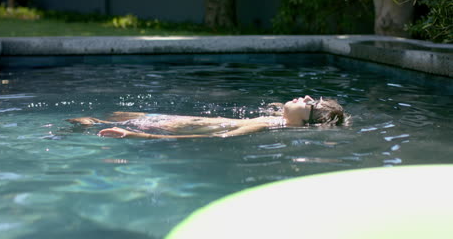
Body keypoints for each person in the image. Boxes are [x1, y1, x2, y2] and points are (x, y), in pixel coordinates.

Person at [67, 95, 345, 139]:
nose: (306, 98)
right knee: (106, 116)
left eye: (311, 104)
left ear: (304, 123)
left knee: (85, 123)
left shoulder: (263, 126)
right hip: (168, 118)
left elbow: (216, 136)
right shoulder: (273, 118)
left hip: (172, 126)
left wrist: (138, 135)